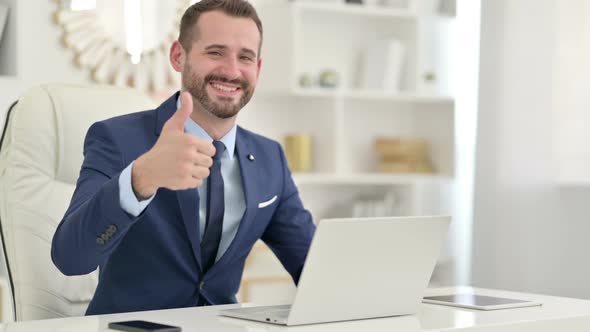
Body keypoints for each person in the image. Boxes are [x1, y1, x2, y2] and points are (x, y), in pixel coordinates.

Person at [51, 0, 315, 315]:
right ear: (179, 56)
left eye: (245, 57)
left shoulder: (269, 157)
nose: (231, 71)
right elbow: (71, 257)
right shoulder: (117, 139)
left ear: (257, 68)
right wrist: (141, 177)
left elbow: (313, 267)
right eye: (215, 52)